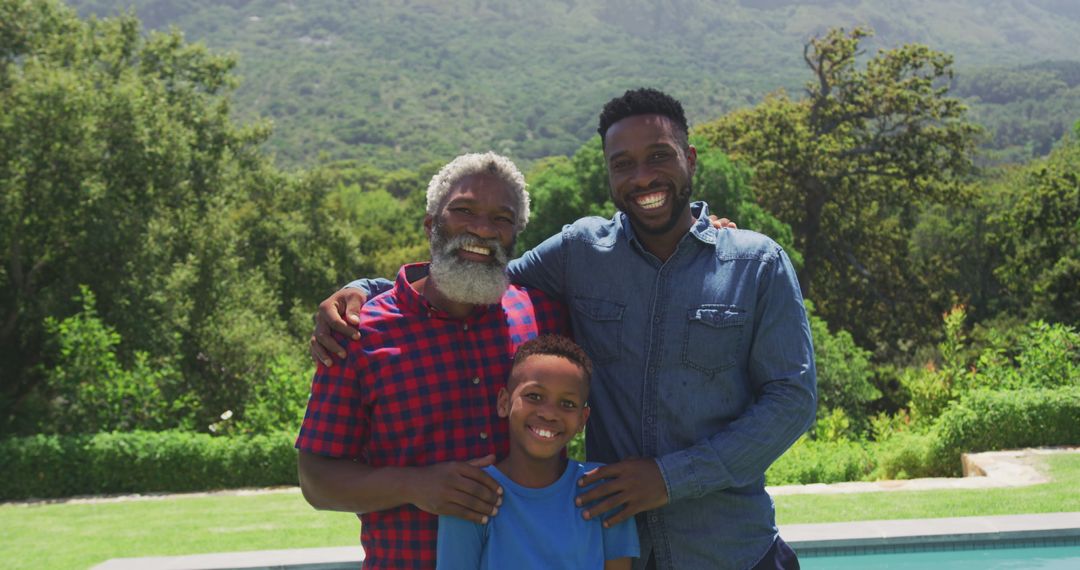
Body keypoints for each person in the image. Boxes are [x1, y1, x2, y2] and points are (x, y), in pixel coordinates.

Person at [313, 88, 816, 570]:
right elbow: (478, 271)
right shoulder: (579, 253)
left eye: (659, 157)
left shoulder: (757, 265)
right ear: (608, 173)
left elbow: (791, 400)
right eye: (623, 163)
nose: (643, 177)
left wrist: (669, 479)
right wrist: (368, 288)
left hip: (731, 550)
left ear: (690, 158)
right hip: (618, 550)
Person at [294, 151, 568, 570]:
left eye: (501, 218)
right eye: (463, 211)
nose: (482, 229)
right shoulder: (357, 331)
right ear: (430, 224)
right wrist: (413, 484)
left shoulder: (544, 317)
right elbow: (316, 479)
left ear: (516, 233)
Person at [436, 334, 639, 570]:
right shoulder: (474, 494)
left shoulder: (603, 489)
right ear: (504, 402)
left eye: (568, 403)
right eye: (534, 396)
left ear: (583, 420)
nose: (549, 413)